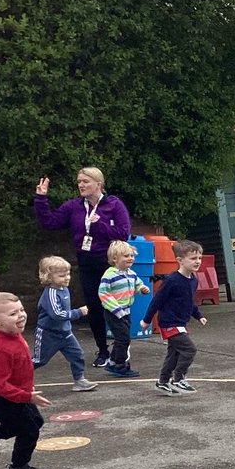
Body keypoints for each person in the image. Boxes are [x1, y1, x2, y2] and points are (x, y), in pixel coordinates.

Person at [33, 168, 131, 367]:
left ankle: (122, 345)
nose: (81, 185)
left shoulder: (114, 205)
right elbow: (49, 222)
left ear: (98, 183)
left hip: (110, 263)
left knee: (115, 306)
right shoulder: (74, 206)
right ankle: (102, 350)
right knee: (94, 307)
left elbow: (123, 233)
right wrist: (41, 198)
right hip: (87, 262)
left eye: (86, 181)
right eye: (79, 181)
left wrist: (99, 224)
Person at [0, 292, 52, 469]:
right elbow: (0, 385)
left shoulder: (14, 334)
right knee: (29, 431)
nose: (21, 315)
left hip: (20, 394)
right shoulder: (0, 349)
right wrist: (27, 396)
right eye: (12, 314)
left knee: (35, 422)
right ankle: (18, 468)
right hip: (3, 399)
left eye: (21, 310)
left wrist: (27, 390)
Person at [141, 240, 206, 396]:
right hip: (169, 322)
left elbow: (189, 301)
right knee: (189, 349)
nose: (197, 261)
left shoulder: (193, 280)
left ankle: (162, 382)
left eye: (199, 258)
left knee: (174, 353)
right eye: (193, 258)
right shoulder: (171, 280)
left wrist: (198, 316)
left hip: (181, 323)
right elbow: (157, 301)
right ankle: (178, 379)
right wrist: (147, 320)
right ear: (179, 260)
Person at [32, 256, 98, 392]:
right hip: (48, 333)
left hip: (65, 332)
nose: (67, 278)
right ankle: (18, 379)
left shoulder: (64, 289)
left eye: (68, 274)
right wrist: (78, 312)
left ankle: (79, 381)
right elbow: (57, 314)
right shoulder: (50, 293)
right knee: (39, 360)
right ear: (49, 277)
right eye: (62, 275)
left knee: (77, 354)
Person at [98, 239, 150, 378]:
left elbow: (137, 284)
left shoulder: (131, 273)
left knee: (123, 338)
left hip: (126, 311)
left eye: (132, 255)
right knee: (123, 339)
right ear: (115, 258)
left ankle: (113, 362)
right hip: (113, 312)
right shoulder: (109, 275)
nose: (130, 258)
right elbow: (103, 294)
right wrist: (116, 310)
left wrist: (142, 288)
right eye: (126, 256)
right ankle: (120, 365)